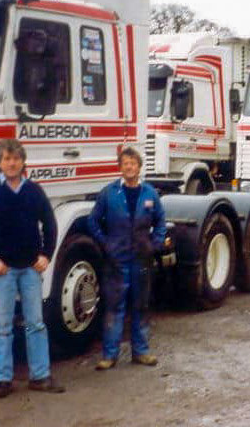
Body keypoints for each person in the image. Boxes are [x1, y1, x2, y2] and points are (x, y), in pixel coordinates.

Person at [0, 139, 64, 398]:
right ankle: (3, 380)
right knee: (2, 326)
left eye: (16, 159)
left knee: (35, 323)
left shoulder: (34, 191)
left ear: (23, 163)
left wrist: (46, 254)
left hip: (31, 270)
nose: (11, 164)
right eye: (6, 159)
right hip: (3, 271)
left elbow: (50, 224)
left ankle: (40, 376)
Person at [88, 146, 166, 370]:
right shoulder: (109, 193)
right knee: (114, 307)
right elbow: (93, 222)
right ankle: (109, 355)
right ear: (120, 168)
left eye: (133, 163)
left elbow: (160, 222)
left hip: (141, 259)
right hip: (117, 260)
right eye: (125, 164)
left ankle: (141, 352)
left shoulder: (150, 194)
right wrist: (106, 244)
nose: (129, 167)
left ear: (139, 167)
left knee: (140, 306)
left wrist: (155, 244)